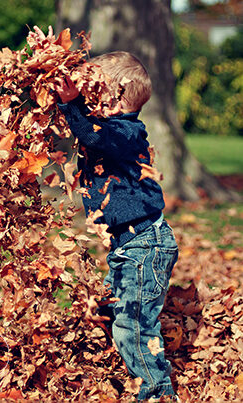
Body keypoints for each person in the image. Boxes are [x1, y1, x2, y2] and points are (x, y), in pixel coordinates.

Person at [54, 49, 180, 401]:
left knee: (134, 326)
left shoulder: (126, 132)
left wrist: (71, 106)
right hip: (129, 246)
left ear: (112, 99)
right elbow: (88, 131)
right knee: (110, 308)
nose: (87, 98)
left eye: (94, 92)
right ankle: (122, 368)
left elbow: (93, 136)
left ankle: (157, 393)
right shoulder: (110, 128)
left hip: (145, 245)